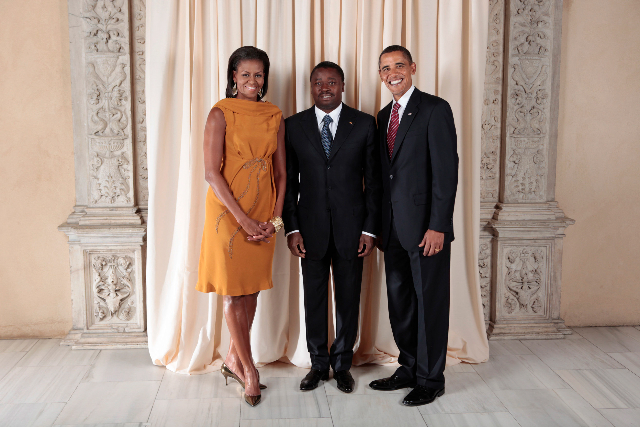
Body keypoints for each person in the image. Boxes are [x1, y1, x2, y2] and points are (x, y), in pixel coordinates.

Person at [196, 46, 286, 407]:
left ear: (265, 78)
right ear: (233, 76)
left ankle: (234, 359)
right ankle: (249, 370)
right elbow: (210, 173)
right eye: (245, 74)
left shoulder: (274, 114)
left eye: (259, 74)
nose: (252, 80)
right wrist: (244, 219)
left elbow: (281, 173)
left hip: (264, 214)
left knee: (251, 290)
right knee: (234, 292)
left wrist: (275, 221)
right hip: (227, 215)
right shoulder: (220, 112)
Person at [283, 61, 381, 393]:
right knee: (314, 299)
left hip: (353, 231)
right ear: (311, 87)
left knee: (349, 299)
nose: (325, 87)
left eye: (332, 82)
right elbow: (287, 183)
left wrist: (369, 230)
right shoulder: (293, 126)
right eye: (318, 82)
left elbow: (375, 182)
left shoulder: (365, 124)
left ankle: (342, 365)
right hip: (308, 232)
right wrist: (291, 228)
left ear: (343, 86)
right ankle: (318, 364)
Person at [368, 45, 458, 407]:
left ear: (413, 68)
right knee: (400, 302)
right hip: (393, 229)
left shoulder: (435, 109)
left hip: (426, 230)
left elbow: (446, 175)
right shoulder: (382, 115)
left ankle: (431, 378)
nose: (393, 73)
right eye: (386, 68)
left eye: (399, 65)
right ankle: (408, 367)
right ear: (380, 75)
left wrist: (438, 225)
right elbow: (383, 177)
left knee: (430, 304)